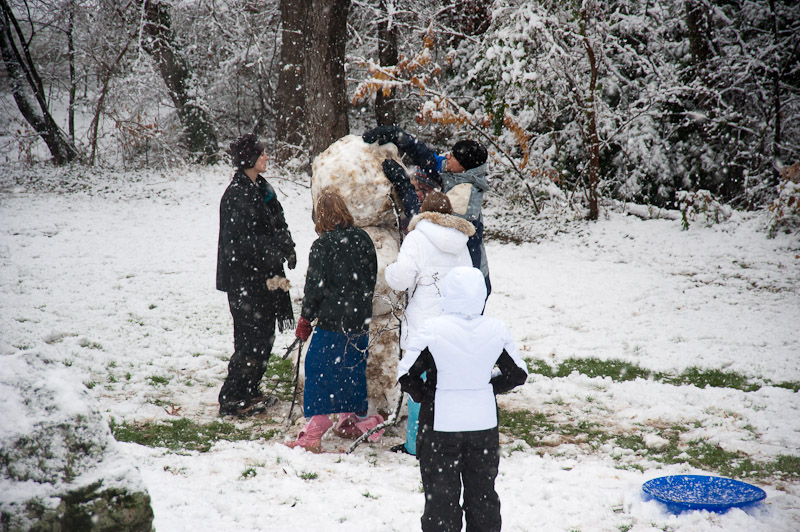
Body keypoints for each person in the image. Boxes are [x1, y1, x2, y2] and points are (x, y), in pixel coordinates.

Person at [397, 266, 528, 532]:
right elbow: (517, 374)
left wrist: (426, 395)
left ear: (448, 295)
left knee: (441, 498)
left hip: (440, 428)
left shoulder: (433, 329)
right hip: (483, 427)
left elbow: (407, 375)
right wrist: (487, 387)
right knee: (482, 495)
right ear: (481, 295)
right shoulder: (495, 328)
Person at [286, 188, 384, 452]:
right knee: (350, 371)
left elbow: (314, 288)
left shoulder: (323, 245)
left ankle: (314, 432)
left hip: (332, 323)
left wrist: (306, 319)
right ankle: (352, 421)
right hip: (358, 324)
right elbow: (371, 277)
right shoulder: (363, 238)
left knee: (319, 371)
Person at [384, 191, 475, 456]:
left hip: (423, 325)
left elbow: (401, 278)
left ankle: (416, 444)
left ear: (424, 213)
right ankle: (450, 440)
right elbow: (470, 282)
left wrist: (389, 272)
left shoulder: (416, 238)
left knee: (418, 386)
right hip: (454, 323)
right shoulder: (461, 242)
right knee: (448, 384)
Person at [216, 134, 297, 417]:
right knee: (249, 339)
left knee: (265, 336)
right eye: (262, 153)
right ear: (249, 159)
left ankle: (250, 390)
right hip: (245, 281)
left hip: (267, 277)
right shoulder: (237, 195)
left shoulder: (262, 188)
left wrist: (288, 246)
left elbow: (277, 223)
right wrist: (276, 245)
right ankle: (232, 397)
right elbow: (240, 244)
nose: (266, 157)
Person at [363, 126, 491, 295]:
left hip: (470, 283)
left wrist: (404, 185)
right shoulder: (459, 174)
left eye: (452, 157)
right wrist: (397, 135)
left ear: (463, 167)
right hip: (454, 274)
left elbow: (426, 221)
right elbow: (429, 159)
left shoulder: (464, 197)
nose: (447, 157)